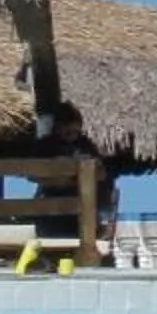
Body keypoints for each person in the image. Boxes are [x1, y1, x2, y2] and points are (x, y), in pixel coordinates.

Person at [33, 103, 111, 242]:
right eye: (68, 131)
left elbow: (102, 174)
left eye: (75, 132)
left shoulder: (85, 144)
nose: (72, 135)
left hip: (82, 204)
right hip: (52, 206)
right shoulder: (46, 145)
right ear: (57, 128)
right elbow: (33, 175)